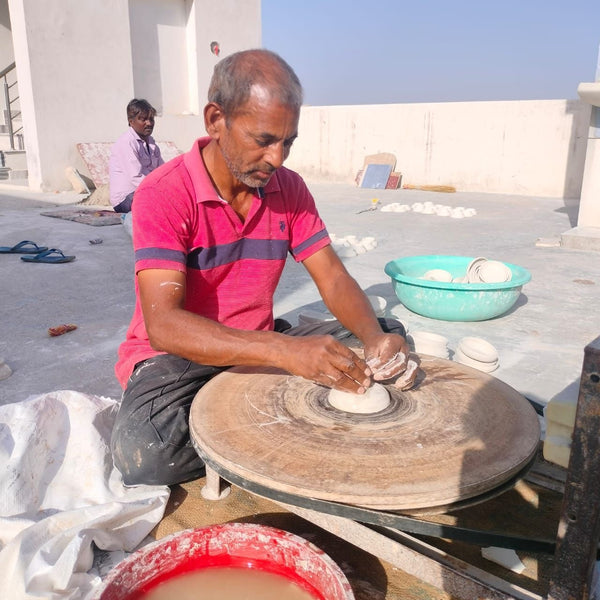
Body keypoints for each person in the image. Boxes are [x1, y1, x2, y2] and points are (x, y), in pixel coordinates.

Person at [110, 49, 417, 487]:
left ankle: (245, 417)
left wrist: (372, 338)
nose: (277, 158)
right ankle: (257, 419)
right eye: (264, 139)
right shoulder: (164, 192)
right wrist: (283, 351)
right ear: (216, 120)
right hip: (177, 357)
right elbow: (164, 325)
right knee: (145, 456)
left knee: (387, 333)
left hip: (259, 345)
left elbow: (331, 274)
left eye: (288, 142)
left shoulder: (287, 188)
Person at [109, 98, 164, 235]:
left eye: (151, 119)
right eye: (143, 119)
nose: (149, 123)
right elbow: (136, 177)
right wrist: (160, 191)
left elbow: (163, 171)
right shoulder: (126, 143)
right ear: (131, 121)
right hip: (125, 199)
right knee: (163, 203)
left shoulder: (151, 143)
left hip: (145, 190)